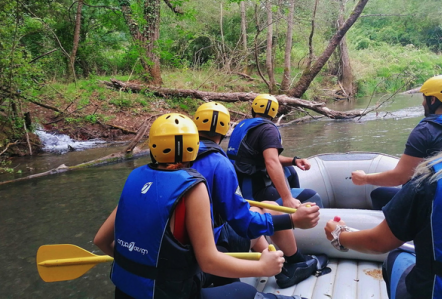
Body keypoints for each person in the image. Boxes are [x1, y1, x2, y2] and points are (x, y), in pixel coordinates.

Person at [94, 113, 307, 299]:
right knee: (246, 293)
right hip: (174, 293)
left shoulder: (135, 179)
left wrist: (140, 266)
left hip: (124, 293)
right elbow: (209, 262)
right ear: (193, 147)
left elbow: (101, 241)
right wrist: (262, 267)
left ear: (153, 146)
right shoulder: (192, 186)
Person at [191, 102, 322, 288]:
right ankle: (296, 261)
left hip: (200, 236)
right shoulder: (220, 162)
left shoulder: (182, 157)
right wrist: (291, 219)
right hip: (213, 243)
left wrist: (292, 161)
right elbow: (243, 222)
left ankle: (282, 266)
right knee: (273, 209)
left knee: (261, 206)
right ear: (225, 129)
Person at [324, 151, 442, 299]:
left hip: (432, 291)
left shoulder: (429, 180)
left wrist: (338, 235)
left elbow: (378, 243)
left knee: (395, 257)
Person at [352, 75, 442, 210]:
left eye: (424, 98)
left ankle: (392, 230)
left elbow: (400, 177)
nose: (423, 103)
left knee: (379, 194)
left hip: (432, 204)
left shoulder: (426, 131)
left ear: (433, 100)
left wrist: (364, 178)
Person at [227, 94, 323, 208]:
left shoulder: (243, 125)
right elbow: (271, 161)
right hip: (253, 194)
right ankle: (293, 211)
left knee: (289, 170)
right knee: (312, 196)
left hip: (238, 184)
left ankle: (290, 211)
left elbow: (264, 157)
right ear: (274, 113)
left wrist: (294, 160)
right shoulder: (268, 129)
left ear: (253, 109)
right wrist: (287, 199)